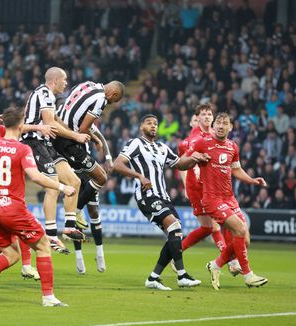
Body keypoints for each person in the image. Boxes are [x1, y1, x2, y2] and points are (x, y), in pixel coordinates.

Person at [0, 106, 76, 307]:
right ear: (20, 125)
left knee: (11, 252)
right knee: (43, 246)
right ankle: (48, 297)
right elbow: (35, 176)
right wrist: (62, 187)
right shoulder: (23, 148)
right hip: (14, 209)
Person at [113, 114, 207, 290]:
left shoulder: (162, 148)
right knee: (174, 227)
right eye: (149, 123)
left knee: (175, 233)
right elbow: (117, 164)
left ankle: (153, 278)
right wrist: (139, 176)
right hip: (147, 195)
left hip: (164, 197)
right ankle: (182, 275)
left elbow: (180, 164)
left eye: (155, 123)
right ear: (142, 127)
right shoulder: (135, 143)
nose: (153, 126)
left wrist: (195, 157)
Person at [0, 103, 56, 280]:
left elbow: (16, 127)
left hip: (1, 192)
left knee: (9, 237)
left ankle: (22, 267)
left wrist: (38, 127)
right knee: (4, 244)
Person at [186, 112, 268, 289]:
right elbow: (182, 161)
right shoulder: (203, 142)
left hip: (230, 198)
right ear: (214, 126)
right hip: (212, 199)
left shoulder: (233, 146)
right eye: (219, 123)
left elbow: (236, 170)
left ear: (230, 127)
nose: (221, 126)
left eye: (225, 123)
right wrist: (194, 158)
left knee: (245, 239)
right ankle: (248, 275)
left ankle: (216, 265)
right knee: (239, 228)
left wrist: (252, 180)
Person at [21, 67, 91, 248]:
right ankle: (51, 234)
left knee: (73, 181)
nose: (66, 83)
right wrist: (75, 136)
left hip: (46, 144)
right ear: (55, 81)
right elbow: (49, 123)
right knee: (53, 188)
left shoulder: (48, 96)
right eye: (64, 79)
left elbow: (56, 120)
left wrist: (73, 130)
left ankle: (68, 227)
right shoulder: (44, 93)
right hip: (34, 142)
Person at [53, 80, 124, 239]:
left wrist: (97, 140)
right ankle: (75, 213)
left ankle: (71, 219)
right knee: (101, 177)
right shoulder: (101, 99)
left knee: (75, 181)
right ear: (113, 95)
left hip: (59, 133)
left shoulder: (86, 85)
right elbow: (84, 129)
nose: (110, 103)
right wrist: (95, 139)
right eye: (113, 101)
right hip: (69, 142)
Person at [178, 104, 241, 275]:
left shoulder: (215, 136)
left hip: (211, 188)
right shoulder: (194, 139)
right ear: (195, 119)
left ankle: (176, 252)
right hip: (198, 188)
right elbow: (182, 164)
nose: (206, 117)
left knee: (215, 225)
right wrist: (186, 185)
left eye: (209, 114)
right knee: (215, 225)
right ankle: (230, 260)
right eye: (203, 114)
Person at [73, 124, 112, 274]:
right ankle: (78, 256)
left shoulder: (86, 122)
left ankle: (100, 253)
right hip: (71, 173)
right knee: (76, 215)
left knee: (93, 211)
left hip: (88, 172)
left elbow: (101, 137)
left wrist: (108, 158)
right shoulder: (62, 122)